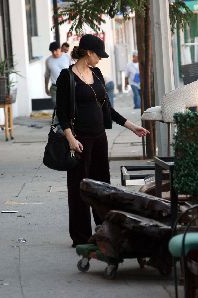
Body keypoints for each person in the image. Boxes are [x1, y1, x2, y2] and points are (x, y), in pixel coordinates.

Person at [55, 34, 149, 247]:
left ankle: (103, 230)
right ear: (89, 53)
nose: (101, 60)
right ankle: (80, 238)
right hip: (79, 140)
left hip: (99, 138)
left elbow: (107, 108)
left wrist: (131, 126)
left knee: (102, 187)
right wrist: (70, 139)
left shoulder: (96, 74)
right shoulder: (66, 77)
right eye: (99, 55)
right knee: (79, 189)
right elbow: (61, 112)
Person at [45, 41, 71, 106]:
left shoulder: (67, 57)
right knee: (57, 106)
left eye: (56, 50)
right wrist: (46, 88)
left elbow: (73, 71)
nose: (54, 53)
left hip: (67, 86)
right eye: (52, 51)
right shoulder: (48, 60)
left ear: (60, 49)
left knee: (67, 106)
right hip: (54, 87)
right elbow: (47, 75)